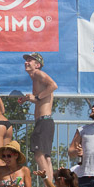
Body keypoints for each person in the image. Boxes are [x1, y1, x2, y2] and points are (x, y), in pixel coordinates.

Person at [18, 52, 58, 180]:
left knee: (38, 155)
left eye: (30, 60)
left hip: (44, 121)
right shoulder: (35, 79)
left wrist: (36, 97)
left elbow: (53, 86)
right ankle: (50, 186)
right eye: (26, 60)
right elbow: (41, 100)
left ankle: (48, 185)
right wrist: (29, 99)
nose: (26, 62)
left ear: (37, 65)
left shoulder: (38, 74)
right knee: (46, 157)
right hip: (45, 121)